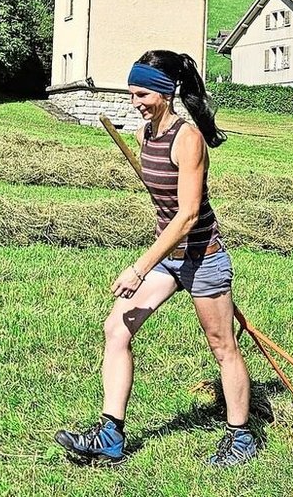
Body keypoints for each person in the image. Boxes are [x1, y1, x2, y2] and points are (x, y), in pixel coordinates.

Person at [55, 50, 256, 468]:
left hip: (202, 257)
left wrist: (138, 266)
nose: (136, 102)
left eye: (142, 93)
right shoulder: (147, 134)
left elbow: (186, 217)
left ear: (165, 93)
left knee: (223, 347)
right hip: (168, 260)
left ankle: (241, 437)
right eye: (132, 94)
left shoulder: (188, 139)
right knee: (117, 327)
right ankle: (110, 435)